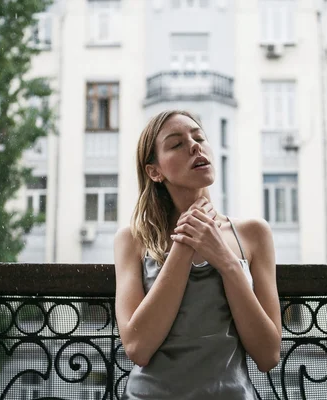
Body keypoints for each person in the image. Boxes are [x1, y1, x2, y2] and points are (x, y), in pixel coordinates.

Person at [114, 110, 282, 399]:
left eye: (199, 137)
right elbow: (138, 348)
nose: (195, 146)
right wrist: (185, 243)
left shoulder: (254, 234)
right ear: (155, 171)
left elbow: (268, 355)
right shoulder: (132, 240)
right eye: (177, 144)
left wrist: (226, 261)